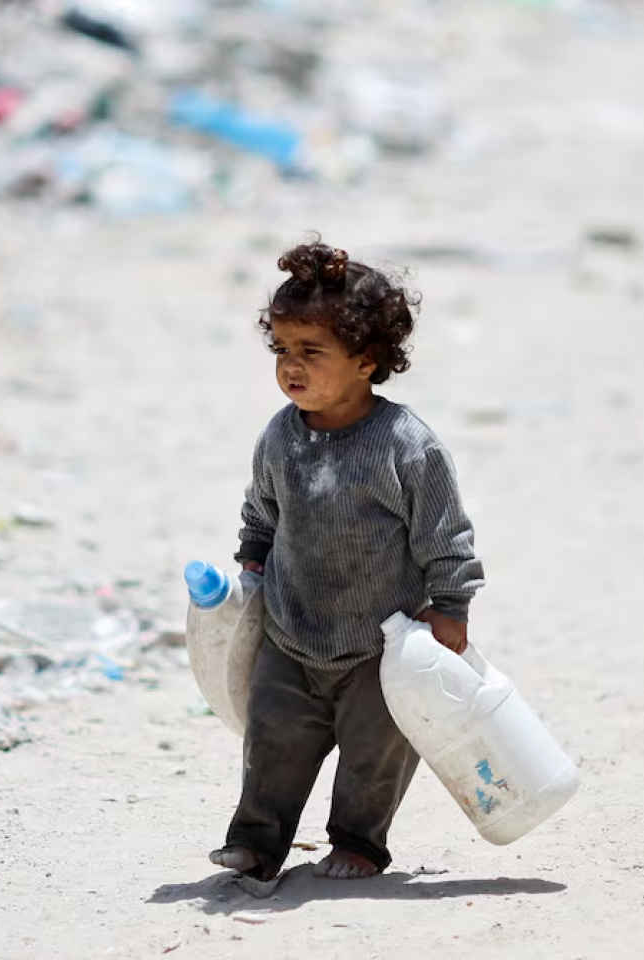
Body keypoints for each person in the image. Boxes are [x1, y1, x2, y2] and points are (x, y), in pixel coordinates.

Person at [208, 239, 485, 885]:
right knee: (272, 742)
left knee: (374, 755)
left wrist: (450, 608)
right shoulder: (281, 434)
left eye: (311, 353)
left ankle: (359, 843)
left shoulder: (405, 446)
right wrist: (250, 564)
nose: (291, 369)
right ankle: (256, 843)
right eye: (281, 351)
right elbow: (262, 512)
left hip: (382, 645)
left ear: (366, 361)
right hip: (291, 631)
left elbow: (445, 534)